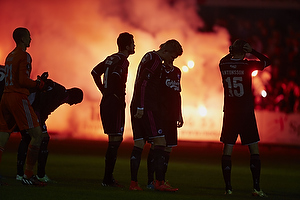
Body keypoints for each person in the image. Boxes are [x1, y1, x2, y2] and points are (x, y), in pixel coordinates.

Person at [219, 39, 271, 197]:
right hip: (246, 112)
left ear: (232, 50)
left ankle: (228, 188)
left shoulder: (223, 64)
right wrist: (253, 51)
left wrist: (232, 52)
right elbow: (266, 61)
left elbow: (225, 59)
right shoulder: (247, 65)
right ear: (244, 51)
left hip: (230, 112)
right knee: (253, 150)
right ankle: (256, 188)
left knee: (227, 149)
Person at [129, 39, 183, 191]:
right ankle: (159, 182)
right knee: (160, 142)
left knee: (139, 143)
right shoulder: (156, 60)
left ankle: (134, 183)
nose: (172, 60)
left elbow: (140, 81)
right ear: (166, 51)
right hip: (147, 106)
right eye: (173, 56)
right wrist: (141, 106)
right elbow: (143, 82)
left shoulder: (149, 56)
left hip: (139, 104)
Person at [0, 27, 46, 186]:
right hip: (18, 97)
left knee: (3, 137)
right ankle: (28, 175)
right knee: (37, 134)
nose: (30, 39)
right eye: (28, 36)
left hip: (5, 97)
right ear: (22, 39)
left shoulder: (9, 56)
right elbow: (22, 80)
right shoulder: (24, 55)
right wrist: (37, 84)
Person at [16, 76, 83, 183]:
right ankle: (40, 175)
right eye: (76, 102)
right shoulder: (62, 93)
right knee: (43, 139)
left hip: (29, 107)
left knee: (26, 138)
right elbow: (49, 85)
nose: (73, 104)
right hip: (34, 110)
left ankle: (20, 174)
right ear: (74, 96)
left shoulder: (61, 94)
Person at [91, 32, 135, 187]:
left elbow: (95, 72)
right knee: (115, 140)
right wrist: (115, 95)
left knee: (113, 140)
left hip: (106, 100)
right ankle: (107, 179)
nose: (134, 46)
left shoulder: (111, 58)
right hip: (114, 102)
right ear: (128, 45)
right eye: (133, 43)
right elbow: (116, 76)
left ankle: (107, 179)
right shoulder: (123, 61)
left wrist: (104, 90)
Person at [146, 60, 183, 190]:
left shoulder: (177, 71)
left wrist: (179, 114)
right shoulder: (158, 69)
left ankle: (161, 180)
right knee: (156, 146)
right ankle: (151, 181)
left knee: (168, 148)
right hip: (159, 113)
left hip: (172, 115)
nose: (172, 57)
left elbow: (178, 94)